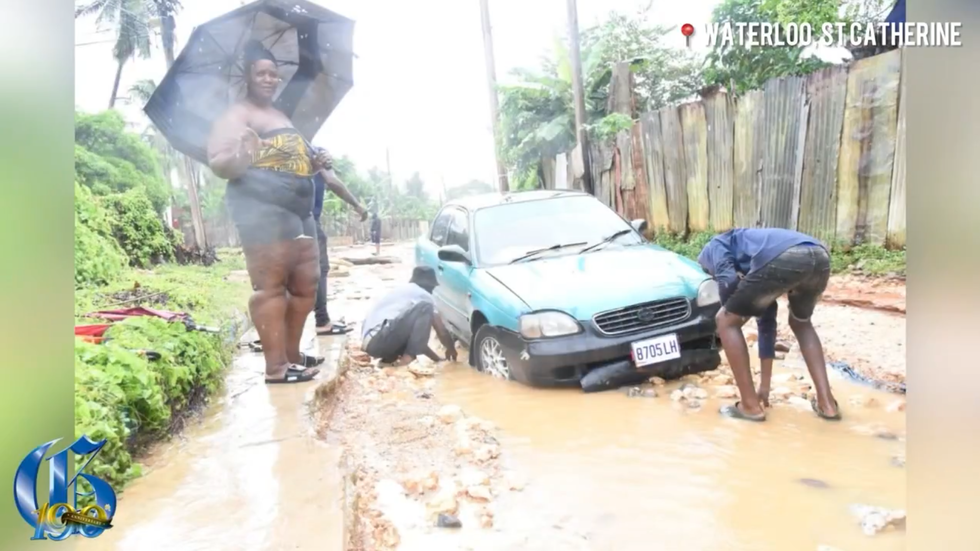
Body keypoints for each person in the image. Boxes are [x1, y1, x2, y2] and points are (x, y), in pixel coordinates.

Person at [206, 40, 329, 384]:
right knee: (271, 287)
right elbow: (220, 163)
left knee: (306, 285)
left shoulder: (280, 114)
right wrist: (243, 153)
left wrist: (315, 161)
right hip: (261, 208)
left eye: (274, 73)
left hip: (298, 209)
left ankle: (290, 355)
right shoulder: (236, 115)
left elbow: (291, 155)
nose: (269, 79)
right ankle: (275, 367)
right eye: (261, 72)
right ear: (247, 76)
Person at [697, 228, 840, 422]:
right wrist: (764, 386)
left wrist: (727, 321)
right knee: (801, 323)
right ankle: (827, 405)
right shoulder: (752, 258)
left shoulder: (713, 247)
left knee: (724, 320)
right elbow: (767, 321)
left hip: (785, 256)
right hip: (819, 256)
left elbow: (727, 279)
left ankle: (749, 407)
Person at [311, 165, 369, 336]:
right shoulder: (314, 151)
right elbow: (331, 181)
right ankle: (322, 321)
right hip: (307, 220)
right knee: (320, 269)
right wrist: (357, 205)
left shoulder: (279, 146)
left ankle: (277, 330)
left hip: (277, 222)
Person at [361, 266, 457, 365]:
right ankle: (406, 361)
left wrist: (438, 360)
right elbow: (441, 331)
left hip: (371, 343)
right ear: (428, 286)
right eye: (432, 287)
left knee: (410, 335)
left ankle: (387, 363)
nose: (432, 291)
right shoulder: (424, 295)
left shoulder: (402, 291)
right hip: (380, 339)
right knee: (426, 306)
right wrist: (451, 348)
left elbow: (419, 344)